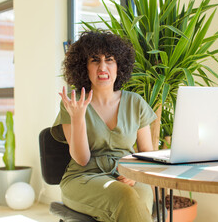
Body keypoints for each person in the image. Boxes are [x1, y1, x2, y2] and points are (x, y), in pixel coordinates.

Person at [51, 30, 157, 222]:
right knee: (125, 196)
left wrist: (137, 175)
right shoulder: (73, 103)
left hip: (126, 175)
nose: (102, 67)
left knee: (139, 195)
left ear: (119, 66)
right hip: (83, 178)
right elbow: (82, 159)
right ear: (84, 67)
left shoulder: (136, 102)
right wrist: (78, 117)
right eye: (94, 60)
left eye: (109, 60)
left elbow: (147, 154)